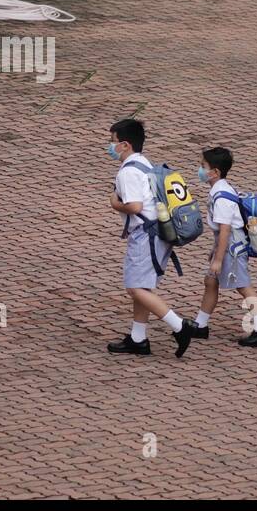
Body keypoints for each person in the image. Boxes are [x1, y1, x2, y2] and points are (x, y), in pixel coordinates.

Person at [105, 118, 199, 358]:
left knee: (135, 288)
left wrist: (115, 204)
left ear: (125, 144)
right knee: (143, 286)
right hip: (159, 231)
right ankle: (138, 339)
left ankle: (180, 326)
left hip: (146, 235)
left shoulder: (127, 172)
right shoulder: (144, 163)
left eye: (113, 141)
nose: (110, 146)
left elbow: (134, 206)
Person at [193, 146, 257, 347]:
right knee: (210, 282)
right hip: (227, 246)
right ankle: (199, 325)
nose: (200, 169)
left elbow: (225, 230)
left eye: (203, 166)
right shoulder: (222, 190)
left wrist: (218, 260)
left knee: (243, 287)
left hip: (233, 250)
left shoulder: (222, 197)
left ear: (215, 172)